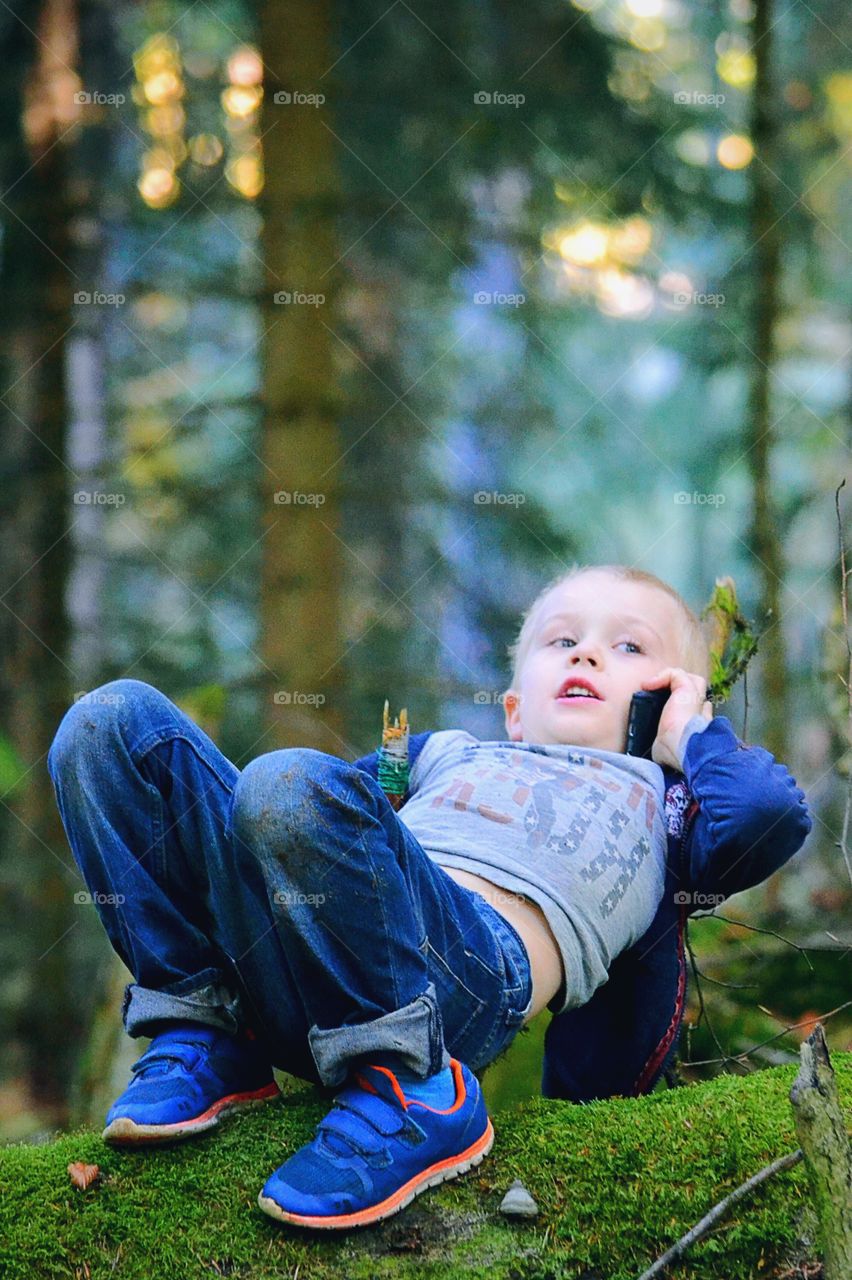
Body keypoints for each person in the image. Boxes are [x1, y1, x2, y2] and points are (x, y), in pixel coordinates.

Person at [46, 563, 812, 1230]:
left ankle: (421, 1091)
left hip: (458, 980)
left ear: (673, 699)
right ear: (514, 708)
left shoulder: (668, 806)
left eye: (630, 648)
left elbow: (768, 815)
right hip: (305, 963)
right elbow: (311, 811)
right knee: (108, 722)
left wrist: (690, 735)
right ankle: (208, 1029)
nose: (586, 653)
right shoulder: (448, 753)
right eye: (562, 640)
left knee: (286, 781)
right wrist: (376, 777)